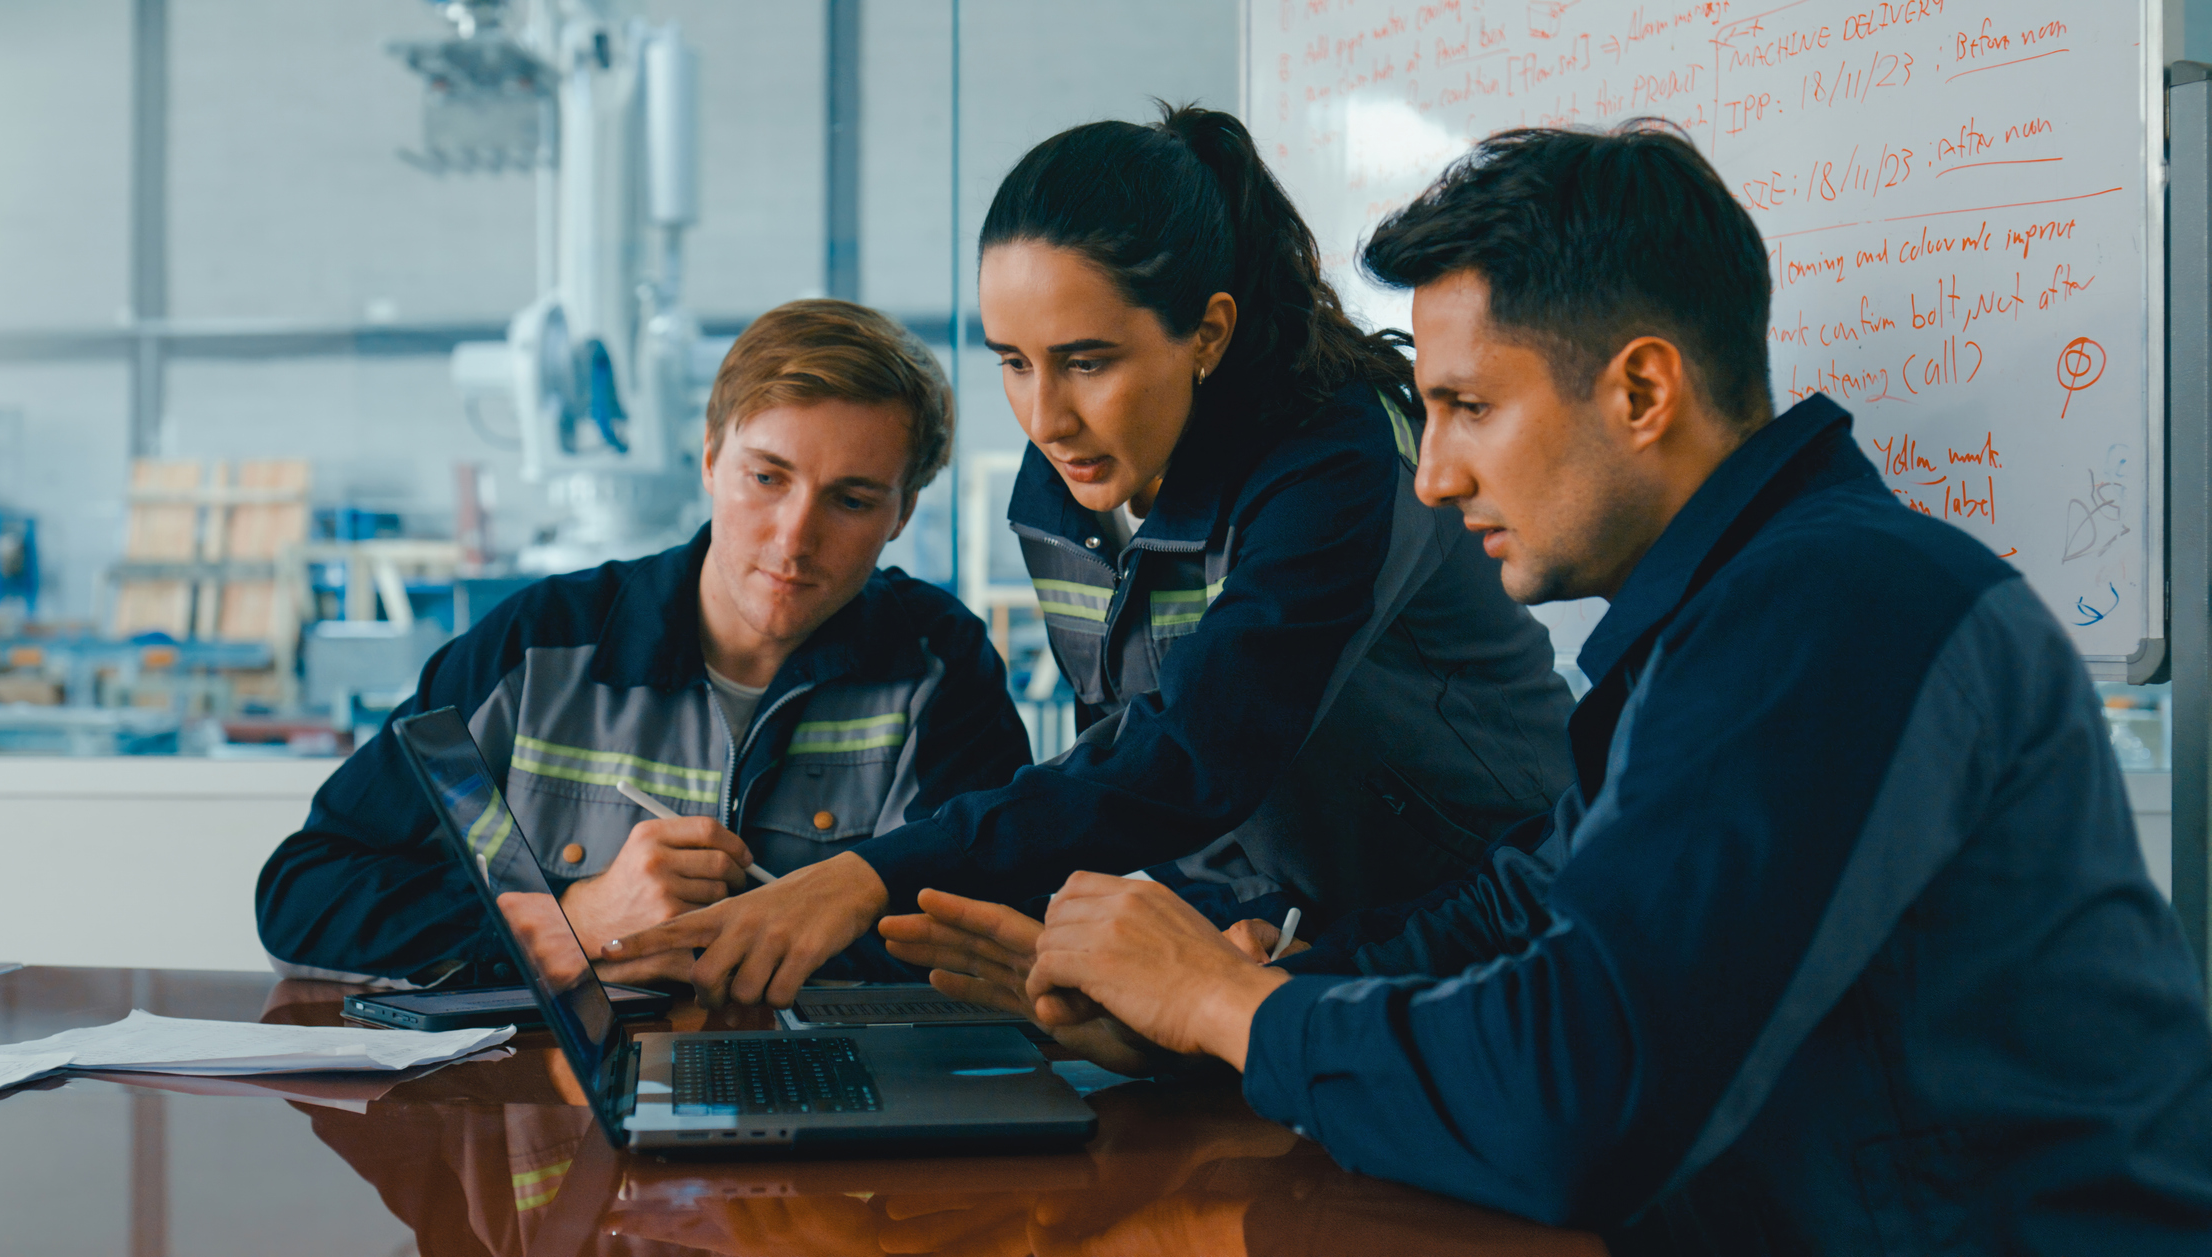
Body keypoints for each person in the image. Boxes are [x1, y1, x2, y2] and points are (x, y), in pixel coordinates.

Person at [884, 123, 2212, 1251]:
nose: (1435, 474)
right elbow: (1530, 910)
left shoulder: (1835, 608)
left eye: (1469, 406)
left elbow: (1589, 1094)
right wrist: (1203, 1008)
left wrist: (1232, 1006)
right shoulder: (1720, 620)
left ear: (1641, 389)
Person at [609, 104, 1575, 1008]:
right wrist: (1199, 932)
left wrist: (869, 874)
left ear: (1208, 332)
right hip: (1302, 952)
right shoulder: (1067, 481)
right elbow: (1130, 751)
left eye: (1087, 361)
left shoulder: (1341, 461)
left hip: (1502, 915)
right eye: (1014, 362)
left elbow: (1202, 747)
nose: (1045, 417)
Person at [254, 299, 1031, 988]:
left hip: (831, 1119)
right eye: (767, 478)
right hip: (557, 1125)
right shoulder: (537, 645)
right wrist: (573, 923)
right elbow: (305, 895)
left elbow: (984, 941)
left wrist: (708, 937)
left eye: (852, 500)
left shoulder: (939, 666)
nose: (795, 540)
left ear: (902, 513)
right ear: (708, 459)